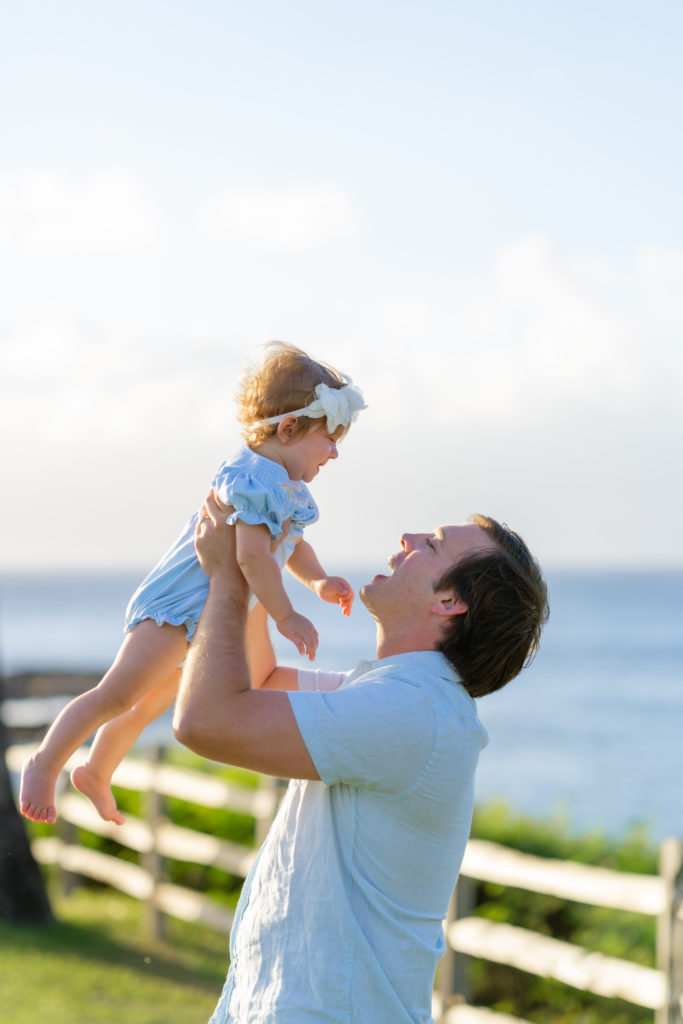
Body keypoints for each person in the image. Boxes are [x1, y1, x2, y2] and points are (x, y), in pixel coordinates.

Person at [173, 491, 549, 1024]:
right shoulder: (392, 695)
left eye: (433, 544)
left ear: (449, 602)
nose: (408, 538)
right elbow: (259, 683)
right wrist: (257, 561)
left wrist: (226, 581)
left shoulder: (410, 711)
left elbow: (205, 722)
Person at [19, 342, 365, 826]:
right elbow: (249, 556)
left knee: (150, 702)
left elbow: (290, 546)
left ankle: (96, 771)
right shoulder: (253, 480)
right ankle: (45, 762)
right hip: (176, 609)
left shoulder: (287, 487)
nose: (333, 453)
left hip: (204, 620)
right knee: (118, 695)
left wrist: (320, 582)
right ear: (289, 429)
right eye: (330, 440)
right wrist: (286, 615)